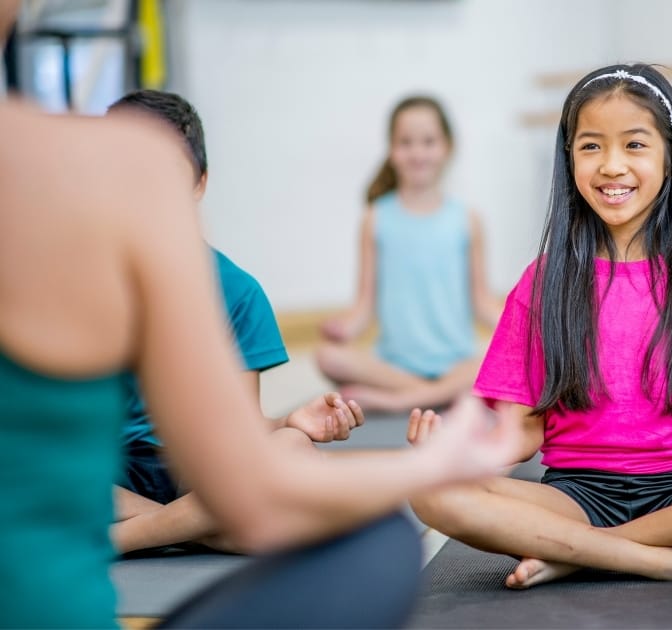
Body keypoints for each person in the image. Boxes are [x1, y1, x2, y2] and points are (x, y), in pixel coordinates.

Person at [0, 8, 520, 627]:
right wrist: (429, 466)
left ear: (199, 183)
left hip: (144, 485)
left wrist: (284, 423)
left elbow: (226, 441)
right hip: (151, 496)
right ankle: (160, 528)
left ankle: (144, 527)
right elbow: (246, 487)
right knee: (375, 537)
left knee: (281, 451)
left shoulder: (232, 285)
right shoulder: (115, 170)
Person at [407, 63, 672, 591]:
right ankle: (669, 561)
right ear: (569, 159)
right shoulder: (542, 282)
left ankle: (585, 555)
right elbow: (519, 434)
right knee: (429, 491)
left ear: (669, 158)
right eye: (591, 147)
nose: (612, 166)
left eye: (634, 145)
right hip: (571, 497)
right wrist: (457, 447)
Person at [105, 89, 367, 555]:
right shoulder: (73, 282)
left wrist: (289, 421)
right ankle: (194, 527)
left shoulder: (239, 293)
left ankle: (133, 536)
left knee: (293, 451)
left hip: (199, 471)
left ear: (198, 182)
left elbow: (237, 430)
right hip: (107, 477)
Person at [317, 96, 503, 413]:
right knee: (327, 356)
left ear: (447, 147)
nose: (417, 152)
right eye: (406, 142)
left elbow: (482, 299)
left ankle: (406, 400)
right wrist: (345, 328)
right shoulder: (376, 218)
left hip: (457, 362)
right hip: (395, 368)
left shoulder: (467, 219)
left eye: (428, 141)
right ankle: (442, 396)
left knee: (505, 355)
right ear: (391, 150)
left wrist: (521, 330)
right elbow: (364, 305)